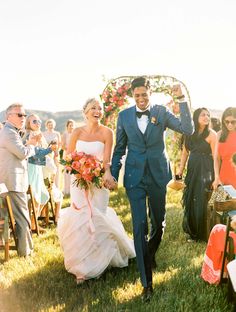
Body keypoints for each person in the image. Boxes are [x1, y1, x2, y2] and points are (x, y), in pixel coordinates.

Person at [110, 76, 194, 301]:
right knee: (139, 226)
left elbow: (188, 128)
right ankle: (147, 284)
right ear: (132, 96)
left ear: (150, 93)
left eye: (144, 95)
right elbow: (119, 149)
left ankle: (149, 252)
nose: (141, 99)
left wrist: (181, 99)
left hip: (157, 175)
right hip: (134, 178)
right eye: (137, 95)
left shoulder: (162, 112)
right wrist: (112, 173)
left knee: (159, 222)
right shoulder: (124, 116)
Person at [57, 98, 135, 285]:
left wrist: (104, 173)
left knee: (97, 217)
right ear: (85, 112)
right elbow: (68, 157)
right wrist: (77, 169)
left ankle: (99, 262)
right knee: (81, 219)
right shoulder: (76, 132)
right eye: (93, 108)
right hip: (78, 182)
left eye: (100, 108)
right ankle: (81, 267)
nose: (97, 111)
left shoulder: (107, 132)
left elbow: (106, 160)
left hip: (98, 181)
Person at [0, 103, 37, 257]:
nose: (23, 118)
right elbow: (22, 153)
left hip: (10, 181)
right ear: (9, 116)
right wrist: (32, 146)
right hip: (12, 182)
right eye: (20, 115)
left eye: (24, 115)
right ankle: (25, 253)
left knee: (19, 216)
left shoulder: (11, 132)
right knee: (22, 217)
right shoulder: (9, 133)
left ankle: (26, 248)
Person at [178, 108, 217, 242]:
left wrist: (217, 178)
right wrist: (180, 171)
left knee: (201, 199)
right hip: (192, 168)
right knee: (191, 198)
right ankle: (193, 231)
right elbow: (184, 153)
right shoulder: (189, 133)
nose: (206, 117)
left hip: (205, 169)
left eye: (208, 115)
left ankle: (203, 233)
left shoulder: (212, 135)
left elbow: (216, 158)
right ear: (196, 117)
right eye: (203, 115)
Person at [23, 114, 58, 231]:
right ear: (28, 123)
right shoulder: (29, 135)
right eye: (34, 121)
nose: (37, 122)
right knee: (34, 197)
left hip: (37, 168)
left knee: (44, 196)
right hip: (31, 168)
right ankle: (30, 225)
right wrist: (49, 149)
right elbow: (36, 152)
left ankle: (33, 223)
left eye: (39, 120)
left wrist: (49, 149)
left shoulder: (38, 134)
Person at [213, 107, 236, 189]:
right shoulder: (219, 135)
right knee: (221, 201)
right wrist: (216, 177)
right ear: (223, 121)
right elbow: (217, 159)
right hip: (223, 176)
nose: (230, 124)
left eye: (233, 122)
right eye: (227, 122)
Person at [43, 119, 62, 188]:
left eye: (52, 125)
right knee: (47, 170)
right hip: (47, 154)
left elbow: (60, 144)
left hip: (55, 154)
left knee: (56, 170)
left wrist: (57, 151)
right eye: (49, 125)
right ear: (46, 125)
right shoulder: (43, 134)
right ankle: (48, 186)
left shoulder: (57, 133)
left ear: (54, 125)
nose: (50, 126)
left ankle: (56, 187)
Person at [61, 119, 76, 196]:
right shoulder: (65, 134)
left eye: (73, 125)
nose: (72, 127)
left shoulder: (75, 134)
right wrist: (69, 150)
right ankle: (66, 190)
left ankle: (73, 189)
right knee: (67, 172)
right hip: (66, 154)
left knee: (73, 172)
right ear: (67, 126)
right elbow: (62, 146)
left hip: (74, 154)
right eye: (70, 125)